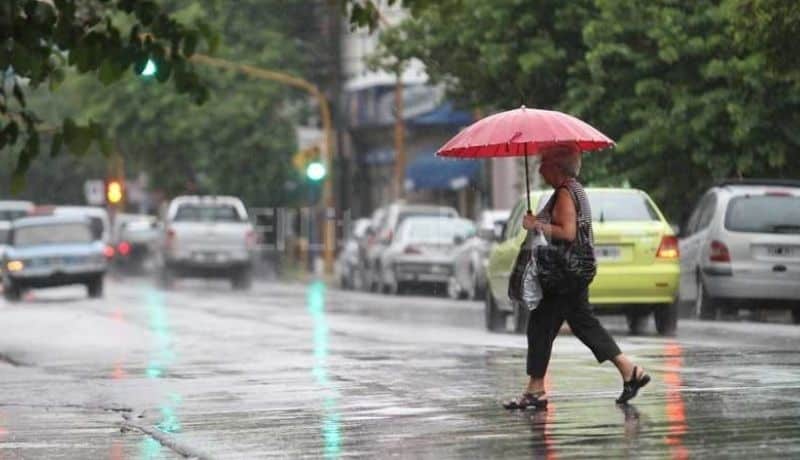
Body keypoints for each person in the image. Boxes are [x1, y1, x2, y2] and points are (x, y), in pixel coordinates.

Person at [504, 145, 650, 410]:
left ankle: (536, 390)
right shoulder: (575, 189)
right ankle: (630, 372)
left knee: (541, 326)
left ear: (558, 166)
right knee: (581, 324)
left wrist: (536, 224)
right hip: (574, 271)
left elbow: (568, 233)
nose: (539, 168)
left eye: (544, 162)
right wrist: (538, 219)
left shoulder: (564, 193)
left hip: (563, 273)